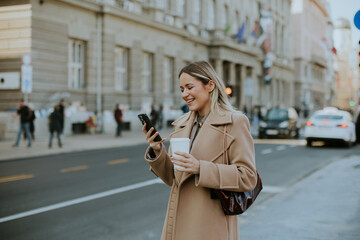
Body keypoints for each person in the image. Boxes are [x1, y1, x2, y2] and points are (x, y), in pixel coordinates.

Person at [142, 61, 257, 240]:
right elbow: (173, 178)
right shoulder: (181, 125)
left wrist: (200, 168)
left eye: (189, 87)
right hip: (178, 221)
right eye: (181, 89)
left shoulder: (234, 123)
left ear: (210, 85)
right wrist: (157, 151)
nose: (185, 94)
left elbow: (248, 176)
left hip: (211, 224)